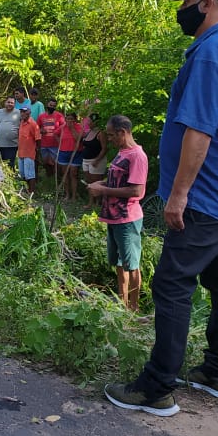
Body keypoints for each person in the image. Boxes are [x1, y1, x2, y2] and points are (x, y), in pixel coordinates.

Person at [105, 0, 218, 416]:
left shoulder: (211, 54)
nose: (180, 9)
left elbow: (200, 132)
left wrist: (179, 194)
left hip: (207, 195)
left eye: (185, 1)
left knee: (172, 284)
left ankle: (157, 387)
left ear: (207, 3)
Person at [87, 115, 147, 311]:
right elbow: (117, 181)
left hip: (127, 218)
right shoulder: (122, 153)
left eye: (112, 135)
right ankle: (122, 303)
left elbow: (136, 191)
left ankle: (134, 307)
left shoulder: (137, 156)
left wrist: (103, 190)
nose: (109, 139)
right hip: (113, 217)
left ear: (123, 132)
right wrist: (100, 183)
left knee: (132, 262)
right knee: (119, 261)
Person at [80, 113, 108, 207]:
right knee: (89, 182)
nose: (88, 123)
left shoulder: (101, 133)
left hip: (96, 161)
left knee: (96, 182)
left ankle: (98, 202)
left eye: (90, 122)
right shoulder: (88, 132)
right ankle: (90, 202)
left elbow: (104, 148)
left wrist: (97, 160)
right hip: (86, 160)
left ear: (95, 122)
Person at [56, 110, 84, 200]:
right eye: (68, 119)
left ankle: (74, 195)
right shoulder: (62, 127)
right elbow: (55, 134)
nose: (69, 121)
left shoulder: (79, 127)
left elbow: (78, 139)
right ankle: (67, 194)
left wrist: (72, 128)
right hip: (63, 152)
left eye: (71, 119)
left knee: (74, 174)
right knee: (65, 174)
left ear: (75, 120)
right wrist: (59, 142)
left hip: (76, 153)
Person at [0, 97, 21, 169]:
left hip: (12, 145)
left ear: (15, 104)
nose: (9, 104)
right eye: (8, 102)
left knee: (9, 166)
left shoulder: (19, 113)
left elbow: (24, 126)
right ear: (5, 103)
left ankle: (9, 179)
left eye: (12, 103)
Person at [37, 98, 64, 177]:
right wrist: (41, 129)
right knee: (46, 162)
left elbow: (64, 127)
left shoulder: (59, 116)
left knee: (55, 163)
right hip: (44, 144)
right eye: (50, 105)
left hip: (55, 144)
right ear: (47, 105)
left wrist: (57, 133)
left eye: (54, 106)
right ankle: (49, 178)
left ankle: (56, 178)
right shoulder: (41, 116)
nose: (52, 107)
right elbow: (36, 127)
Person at [17, 106, 41, 195]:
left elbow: (38, 139)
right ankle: (25, 191)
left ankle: (32, 193)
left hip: (29, 153)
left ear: (29, 113)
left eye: (24, 112)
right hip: (21, 153)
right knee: (22, 174)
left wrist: (37, 151)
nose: (22, 113)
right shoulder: (21, 122)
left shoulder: (33, 124)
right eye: (21, 112)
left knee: (30, 175)